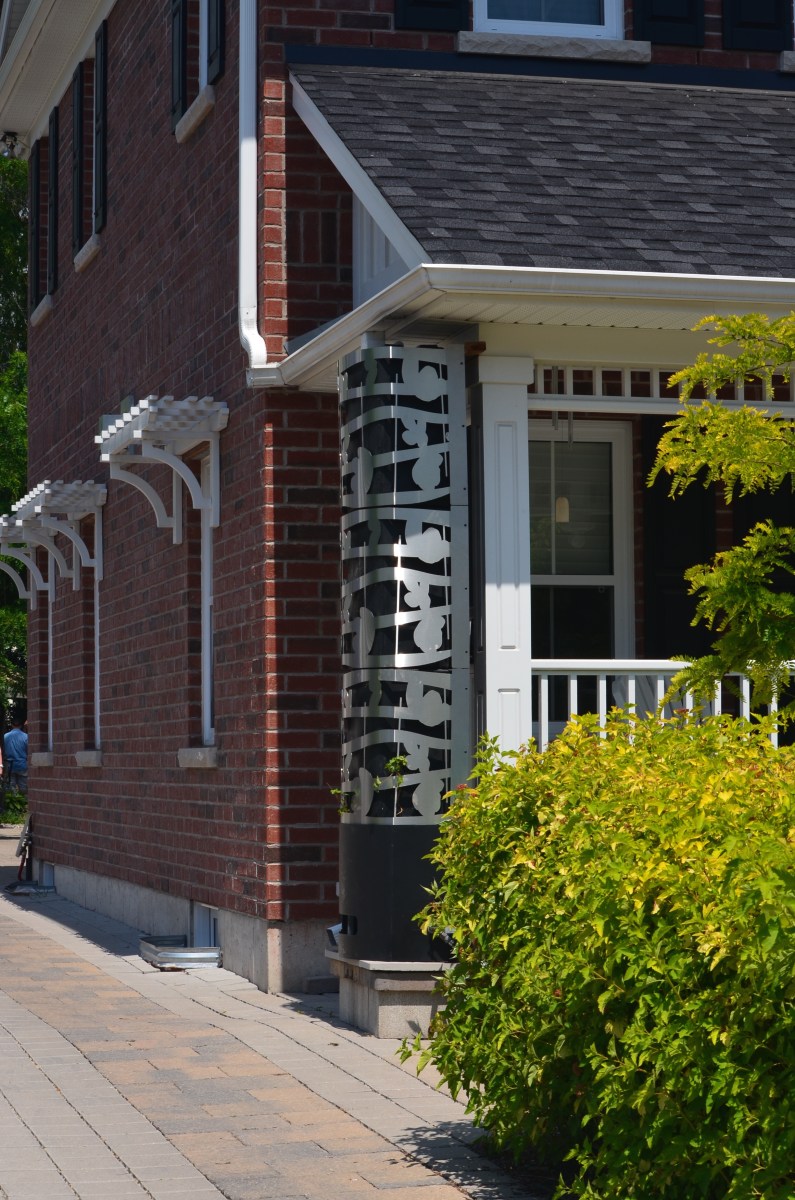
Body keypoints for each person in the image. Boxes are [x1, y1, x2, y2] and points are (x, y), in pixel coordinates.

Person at [4, 716, 27, 795]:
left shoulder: (5, 737)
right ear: (21, 725)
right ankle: (24, 805)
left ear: (11, 725)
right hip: (22, 765)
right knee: (24, 790)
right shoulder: (26, 737)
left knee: (11, 790)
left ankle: (13, 806)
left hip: (9, 766)